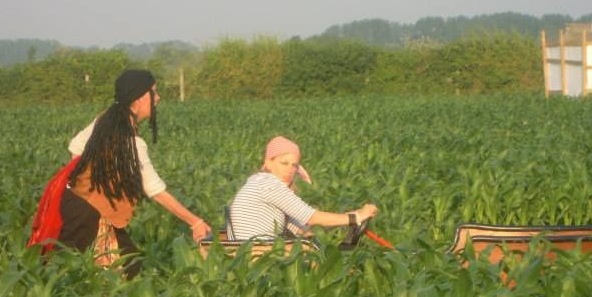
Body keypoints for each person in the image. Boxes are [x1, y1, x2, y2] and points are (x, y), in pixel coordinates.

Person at [29, 69, 211, 276]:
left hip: (75, 204)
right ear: (141, 97)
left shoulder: (106, 120)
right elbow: (155, 191)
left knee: (119, 267)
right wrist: (195, 222)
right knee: (82, 274)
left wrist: (92, 180)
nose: (158, 98)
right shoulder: (131, 143)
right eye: (154, 92)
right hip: (88, 216)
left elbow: (75, 148)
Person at [227, 136, 378, 241]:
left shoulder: (260, 182)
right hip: (259, 252)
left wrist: (351, 216)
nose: (290, 170)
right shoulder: (268, 183)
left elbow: (303, 228)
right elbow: (311, 217)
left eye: (294, 165)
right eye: (284, 163)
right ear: (268, 162)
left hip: (260, 250)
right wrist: (356, 218)